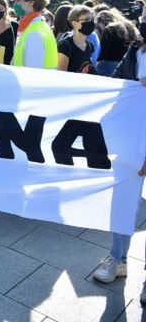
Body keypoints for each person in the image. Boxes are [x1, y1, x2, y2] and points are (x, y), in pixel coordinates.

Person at [92, 25, 146, 302]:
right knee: (122, 202)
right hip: (131, 140)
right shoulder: (136, 49)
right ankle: (117, 259)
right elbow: (115, 85)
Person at [10, 0, 58, 69]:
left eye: (18, 0)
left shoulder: (34, 32)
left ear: (31, 2)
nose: (15, 4)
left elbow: (32, 72)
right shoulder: (38, 26)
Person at [57, 5, 96, 73]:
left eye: (92, 19)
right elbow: (61, 75)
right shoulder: (65, 45)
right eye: (87, 19)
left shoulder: (90, 45)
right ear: (75, 24)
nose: (91, 22)